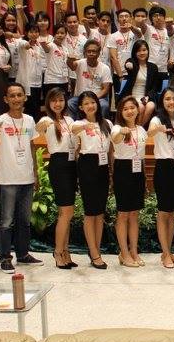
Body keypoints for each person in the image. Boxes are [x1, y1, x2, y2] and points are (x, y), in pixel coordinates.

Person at [0, 84, 42, 272]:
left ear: (25, 97)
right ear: (6, 99)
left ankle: (23, 254)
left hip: (26, 178)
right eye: (12, 96)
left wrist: (35, 172)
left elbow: (32, 146)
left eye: (20, 95)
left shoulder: (29, 120)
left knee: (24, 221)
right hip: (7, 178)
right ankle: (5, 258)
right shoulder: (0, 119)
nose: (16, 98)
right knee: (6, 221)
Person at [37, 87, 78, 270]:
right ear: (48, 102)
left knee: (68, 212)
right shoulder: (46, 120)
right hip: (59, 165)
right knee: (66, 212)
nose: (58, 103)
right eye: (54, 100)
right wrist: (44, 125)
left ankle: (66, 251)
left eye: (61, 100)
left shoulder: (69, 120)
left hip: (72, 164)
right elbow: (38, 129)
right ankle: (58, 251)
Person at [71, 91, 112, 269]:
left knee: (100, 211)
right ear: (81, 107)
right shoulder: (78, 123)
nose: (90, 106)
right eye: (86, 103)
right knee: (90, 211)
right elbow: (73, 130)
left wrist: (112, 171)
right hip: (87, 165)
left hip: (103, 165)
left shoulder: (107, 123)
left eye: (93, 102)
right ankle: (93, 251)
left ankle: (96, 248)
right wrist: (84, 127)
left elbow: (111, 149)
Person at [147, 88, 174, 268]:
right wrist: (157, 129)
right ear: (162, 102)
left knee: (173, 213)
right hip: (164, 167)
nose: (171, 102)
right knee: (164, 212)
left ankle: (169, 251)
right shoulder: (157, 120)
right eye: (167, 99)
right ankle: (164, 253)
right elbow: (149, 133)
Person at [111, 95, 148, 268]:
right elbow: (115, 139)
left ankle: (134, 251)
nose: (129, 111)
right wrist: (122, 132)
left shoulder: (141, 130)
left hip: (138, 171)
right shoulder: (117, 128)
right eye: (125, 109)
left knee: (134, 214)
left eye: (132, 107)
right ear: (120, 112)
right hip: (123, 171)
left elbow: (142, 156)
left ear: (137, 110)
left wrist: (145, 178)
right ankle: (123, 253)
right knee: (123, 214)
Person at [68, 39, 113, 118]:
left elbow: (105, 89)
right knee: (70, 103)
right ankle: (75, 124)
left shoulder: (105, 68)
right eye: (89, 51)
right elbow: (71, 65)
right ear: (85, 53)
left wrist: (92, 99)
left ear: (98, 53)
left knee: (104, 105)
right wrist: (69, 60)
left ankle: (101, 124)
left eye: (94, 51)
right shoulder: (80, 63)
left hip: (98, 98)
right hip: (80, 97)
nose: (91, 53)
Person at [121, 39, 161, 126]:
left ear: (148, 51)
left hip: (146, 96)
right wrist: (128, 65)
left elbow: (154, 87)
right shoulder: (133, 64)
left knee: (151, 106)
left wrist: (148, 97)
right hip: (132, 96)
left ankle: (139, 128)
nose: (142, 53)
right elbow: (128, 64)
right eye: (139, 51)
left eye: (144, 50)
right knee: (141, 107)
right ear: (135, 53)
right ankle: (137, 128)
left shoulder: (153, 67)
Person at [14, 25, 44, 120]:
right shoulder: (21, 42)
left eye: (36, 32)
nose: (34, 34)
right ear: (27, 33)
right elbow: (24, 45)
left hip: (38, 82)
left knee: (36, 108)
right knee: (28, 108)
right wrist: (28, 44)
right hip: (27, 82)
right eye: (31, 32)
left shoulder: (39, 46)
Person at [41, 24, 70, 102]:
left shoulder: (65, 49)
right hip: (52, 80)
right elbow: (46, 49)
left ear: (66, 34)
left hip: (64, 80)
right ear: (54, 34)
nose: (60, 35)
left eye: (62, 33)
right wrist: (43, 45)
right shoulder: (51, 45)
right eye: (57, 33)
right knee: (51, 103)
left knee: (63, 103)